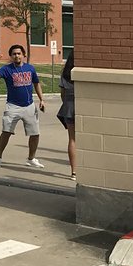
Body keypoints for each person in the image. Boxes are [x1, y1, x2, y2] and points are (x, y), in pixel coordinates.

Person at [0, 44, 45, 169]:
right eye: (14, 54)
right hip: (13, 106)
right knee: (6, 132)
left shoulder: (30, 68)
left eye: (19, 53)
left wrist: (42, 100)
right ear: (11, 56)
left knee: (35, 134)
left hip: (29, 105)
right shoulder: (7, 69)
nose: (16, 56)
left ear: (23, 55)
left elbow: (36, 83)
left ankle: (31, 159)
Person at [57, 49, 76, 180]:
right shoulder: (81, 72)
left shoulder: (65, 74)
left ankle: (74, 171)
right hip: (83, 106)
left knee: (72, 139)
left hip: (69, 108)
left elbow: (62, 94)